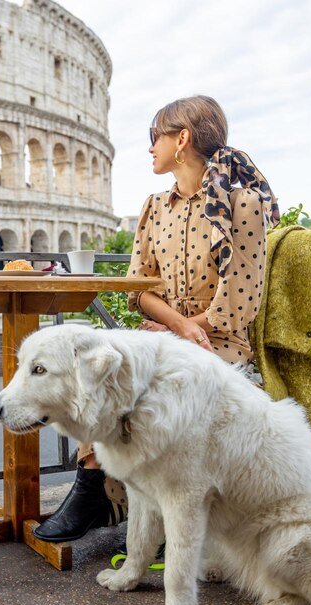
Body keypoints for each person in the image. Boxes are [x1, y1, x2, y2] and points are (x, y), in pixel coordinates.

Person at [32, 95, 278, 543]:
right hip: (166, 336)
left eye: (155, 136)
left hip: (217, 345)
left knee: (144, 386)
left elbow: (238, 306)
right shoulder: (153, 207)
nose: (149, 147)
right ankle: (94, 490)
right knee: (103, 373)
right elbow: (137, 290)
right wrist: (172, 326)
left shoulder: (242, 204)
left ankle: (141, 511)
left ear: (181, 139)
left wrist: (184, 329)